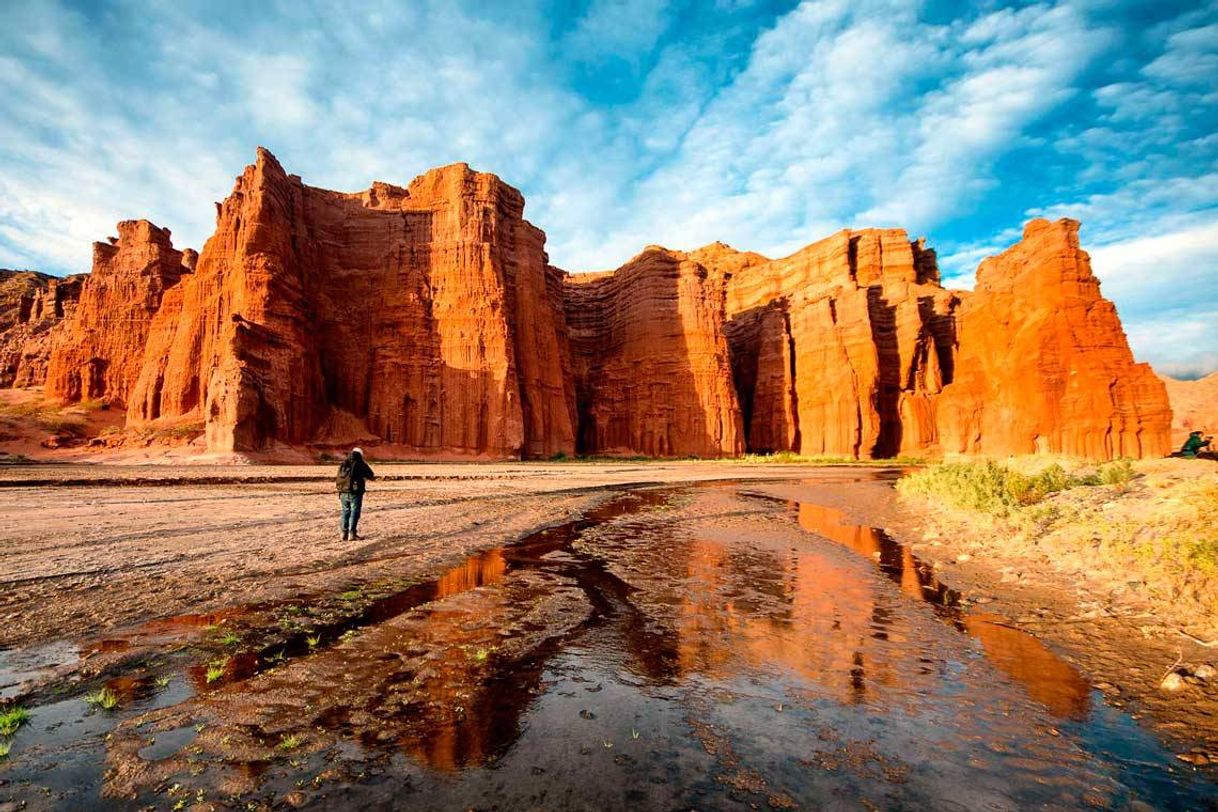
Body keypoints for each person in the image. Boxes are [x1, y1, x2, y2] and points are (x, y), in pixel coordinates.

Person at [336, 447, 376, 541]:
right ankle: (352, 533)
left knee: (345, 511)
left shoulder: (344, 463)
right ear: (360, 455)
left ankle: (343, 533)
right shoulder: (360, 463)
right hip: (355, 492)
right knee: (354, 512)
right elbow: (371, 475)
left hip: (343, 492)